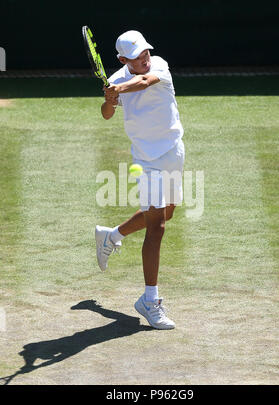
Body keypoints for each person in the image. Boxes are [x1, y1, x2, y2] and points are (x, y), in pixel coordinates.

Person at [95, 30, 185, 330]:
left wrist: (118, 89)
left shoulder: (158, 65)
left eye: (146, 52)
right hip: (146, 160)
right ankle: (150, 300)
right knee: (156, 225)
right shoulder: (117, 79)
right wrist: (110, 98)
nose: (145, 59)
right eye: (137, 57)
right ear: (123, 60)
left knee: (166, 213)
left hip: (173, 150)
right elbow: (107, 114)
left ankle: (112, 235)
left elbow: (144, 82)